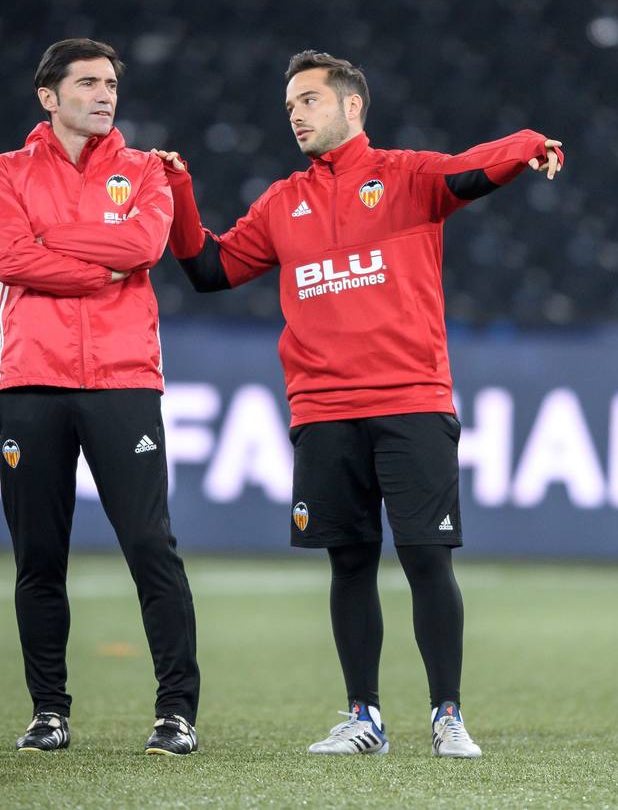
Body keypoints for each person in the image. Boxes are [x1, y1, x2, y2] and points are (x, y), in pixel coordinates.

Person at [155, 50, 562, 759]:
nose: (296, 116)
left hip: (410, 399)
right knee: (349, 564)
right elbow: (210, 269)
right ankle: (364, 717)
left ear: (351, 107)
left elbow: (472, 167)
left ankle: (447, 715)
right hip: (321, 409)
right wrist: (180, 192)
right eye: (289, 107)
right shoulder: (283, 202)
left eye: (308, 101)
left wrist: (529, 146)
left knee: (427, 560)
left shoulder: (405, 178)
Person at [0, 38, 200, 756]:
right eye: (88, 83)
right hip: (31, 381)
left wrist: (55, 245)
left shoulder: (146, 170)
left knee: (149, 545)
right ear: (49, 97)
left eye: (110, 83)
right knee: (39, 556)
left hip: (124, 380)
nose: (105, 95)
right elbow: (6, 257)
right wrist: (92, 265)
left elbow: (143, 248)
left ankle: (176, 712)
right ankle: (50, 712)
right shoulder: (8, 170)